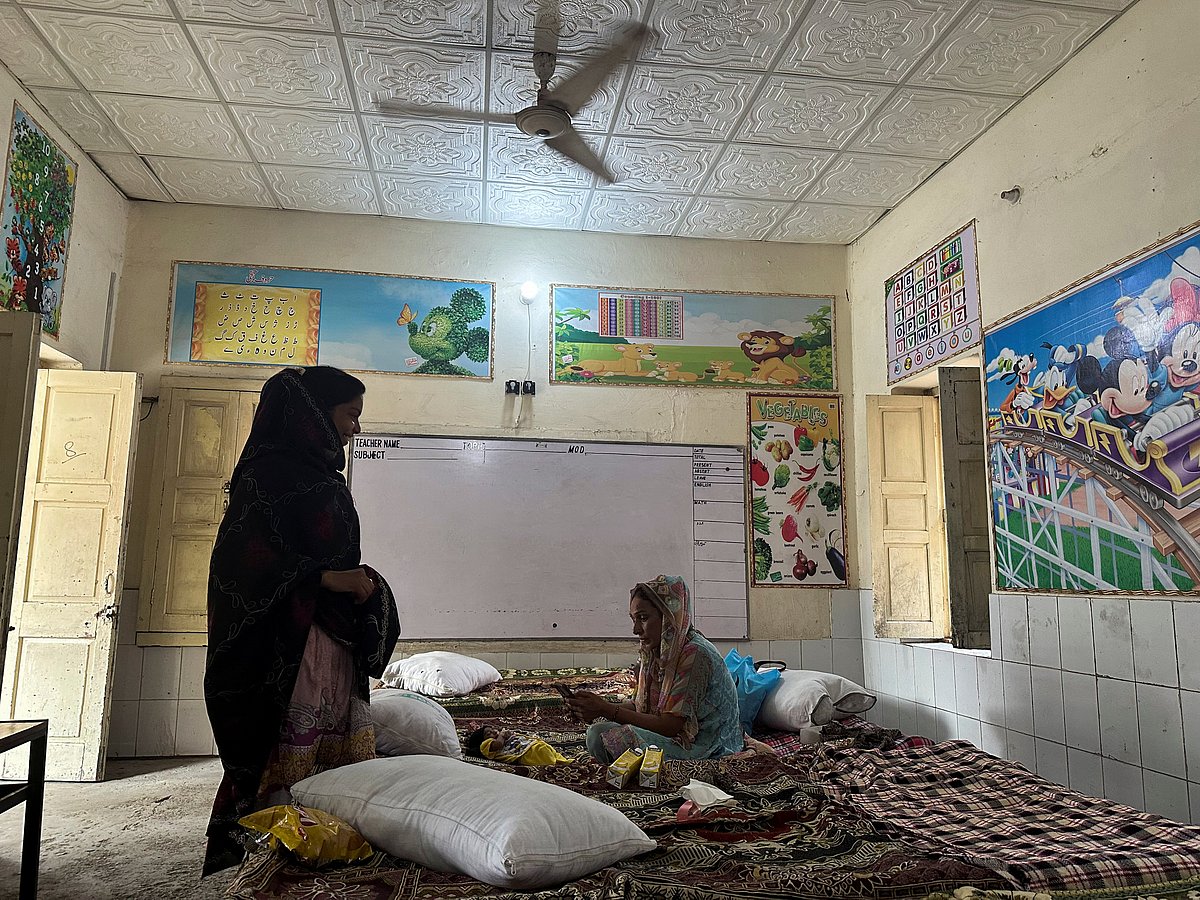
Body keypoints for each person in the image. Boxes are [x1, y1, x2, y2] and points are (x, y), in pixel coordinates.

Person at [203, 366, 401, 875]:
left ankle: (329, 835)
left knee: (331, 748)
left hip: (329, 637)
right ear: (314, 414)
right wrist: (328, 581)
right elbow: (241, 565)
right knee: (289, 749)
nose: (355, 428)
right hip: (290, 643)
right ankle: (281, 851)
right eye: (350, 415)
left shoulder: (321, 475)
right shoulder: (267, 474)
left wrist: (358, 584)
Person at [565, 575, 743, 764]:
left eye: (643, 618)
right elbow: (640, 707)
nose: (635, 630)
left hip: (707, 747)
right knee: (600, 730)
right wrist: (593, 708)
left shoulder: (695, 653)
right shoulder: (655, 652)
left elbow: (669, 726)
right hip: (675, 735)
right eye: (633, 619)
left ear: (668, 617)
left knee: (602, 735)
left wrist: (607, 710)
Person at [463, 725, 570, 765]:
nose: (493, 733)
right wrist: (503, 735)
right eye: (488, 734)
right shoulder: (485, 745)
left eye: (492, 730)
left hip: (529, 745)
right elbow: (499, 745)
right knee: (540, 751)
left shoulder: (500, 736)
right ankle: (552, 762)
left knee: (545, 748)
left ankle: (558, 760)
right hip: (523, 754)